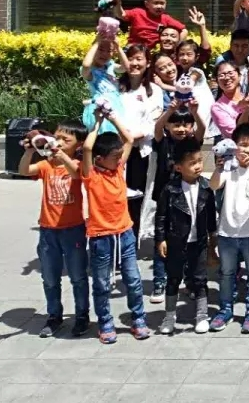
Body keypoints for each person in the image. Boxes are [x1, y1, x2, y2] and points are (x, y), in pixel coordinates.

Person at [81, 112, 149, 344]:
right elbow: (87, 148)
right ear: (100, 159)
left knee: (133, 279)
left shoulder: (118, 170)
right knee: (101, 283)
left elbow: (128, 139)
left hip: (125, 234)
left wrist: (112, 117)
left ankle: (138, 318)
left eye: (121, 156)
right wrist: (98, 123)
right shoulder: (91, 175)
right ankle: (105, 322)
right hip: (101, 237)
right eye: (115, 156)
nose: (120, 159)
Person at [19, 120, 90, 338]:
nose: (58, 142)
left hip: (73, 229)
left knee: (78, 277)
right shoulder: (46, 165)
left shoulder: (78, 163)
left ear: (78, 145)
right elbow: (23, 170)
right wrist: (29, 151)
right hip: (48, 230)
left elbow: (77, 174)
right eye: (56, 137)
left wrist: (61, 156)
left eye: (65, 140)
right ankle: (54, 316)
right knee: (50, 278)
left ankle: (82, 316)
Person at [210, 121, 249, 333]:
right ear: (234, 145)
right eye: (243, 144)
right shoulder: (229, 165)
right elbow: (214, 185)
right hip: (227, 231)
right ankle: (225, 310)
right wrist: (218, 168)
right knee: (227, 273)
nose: (247, 149)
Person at [154, 141, 215, 335]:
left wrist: (212, 240)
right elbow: (161, 216)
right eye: (192, 163)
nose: (198, 166)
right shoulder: (170, 189)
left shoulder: (206, 187)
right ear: (179, 167)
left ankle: (202, 316)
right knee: (173, 278)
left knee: (200, 279)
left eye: (199, 161)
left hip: (199, 242)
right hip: (176, 241)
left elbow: (211, 218)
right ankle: (169, 316)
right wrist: (161, 239)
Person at [110, 0, 187, 48]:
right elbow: (120, 15)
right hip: (133, 50)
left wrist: (176, 47)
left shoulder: (166, 18)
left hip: (153, 53)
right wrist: (118, 3)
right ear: (146, 4)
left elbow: (184, 30)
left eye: (162, 3)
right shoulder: (138, 13)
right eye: (156, 3)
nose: (159, 6)